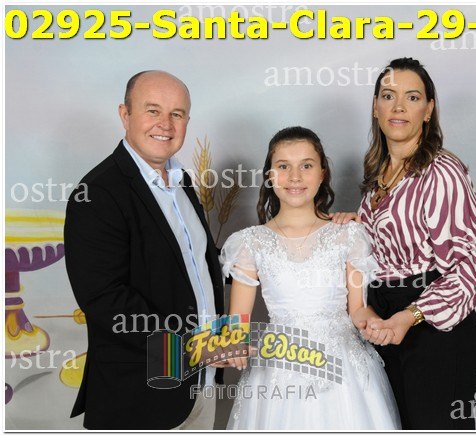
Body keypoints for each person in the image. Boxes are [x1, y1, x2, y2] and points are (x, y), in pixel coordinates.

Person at [333, 57, 476, 429]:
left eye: (413, 97)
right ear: (376, 107)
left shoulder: (442, 171)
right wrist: (359, 227)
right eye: (389, 96)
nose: (399, 107)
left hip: (433, 328)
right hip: (386, 321)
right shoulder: (378, 175)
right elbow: (396, 242)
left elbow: (474, 265)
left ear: (429, 110)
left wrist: (411, 316)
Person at [64, 70, 224, 430]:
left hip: (201, 386)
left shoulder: (181, 182)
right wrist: (191, 349)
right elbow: (105, 298)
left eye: (177, 114)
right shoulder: (98, 193)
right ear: (125, 114)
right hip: (141, 397)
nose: (165, 124)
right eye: (153, 110)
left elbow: (194, 266)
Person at [215, 126, 400, 430]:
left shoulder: (348, 234)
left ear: (322, 173)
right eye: (283, 166)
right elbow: (238, 323)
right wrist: (228, 345)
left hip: (343, 366)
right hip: (280, 365)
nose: (295, 177)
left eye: (306, 166)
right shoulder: (250, 243)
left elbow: (357, 309)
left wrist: (374, 323)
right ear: (270, 175)